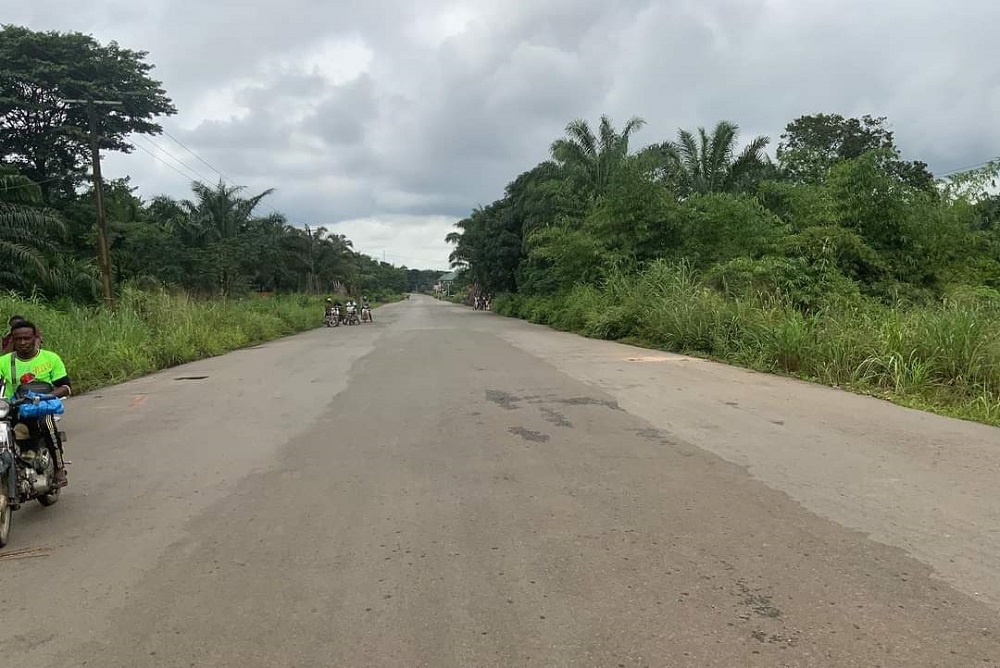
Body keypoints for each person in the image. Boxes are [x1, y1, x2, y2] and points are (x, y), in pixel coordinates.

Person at [0, 320, 71, 487]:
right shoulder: (3, 362)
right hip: (14, 408)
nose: (23, 342)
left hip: (41, 407)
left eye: (27, 338)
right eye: (18, 339)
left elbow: (66, 387)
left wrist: (45, 397)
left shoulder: (50, 358)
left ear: (35, 338)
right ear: (13, 340)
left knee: (47, 424)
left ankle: (59, 468)